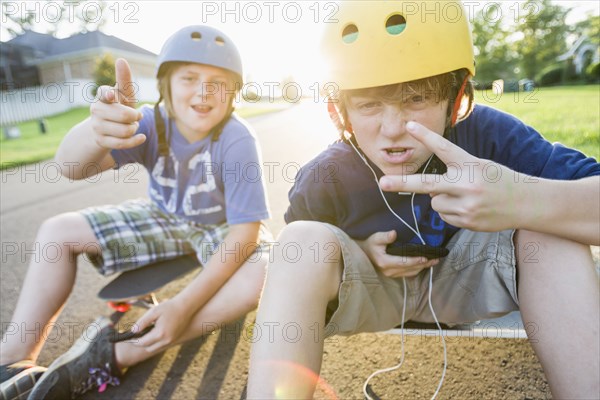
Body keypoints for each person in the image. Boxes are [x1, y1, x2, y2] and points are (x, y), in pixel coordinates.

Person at [246, 1, 600, 399]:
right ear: (338, 112)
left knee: (552, 231)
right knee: (299, 242)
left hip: (469, 282)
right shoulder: (322, 177)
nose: (393, 129)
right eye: (368, 105)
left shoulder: (491, 135)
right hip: (379, 293)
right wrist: (360, 250)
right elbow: (295, 275)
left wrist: (519, 200)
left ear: (458, 97)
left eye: (416, 99)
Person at [0, 25, 272, 399]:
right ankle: (12, 360)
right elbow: (70, 166)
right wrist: (94, 133)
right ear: (165, 85)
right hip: (162, 215)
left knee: (264, 272)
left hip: (221, 227)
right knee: (56, 231)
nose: (205, 91)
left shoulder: (237, 139)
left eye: (218, 82)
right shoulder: (148, 122)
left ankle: (115, 352)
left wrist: (182, 305)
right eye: (190, 78)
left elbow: (245, 233)